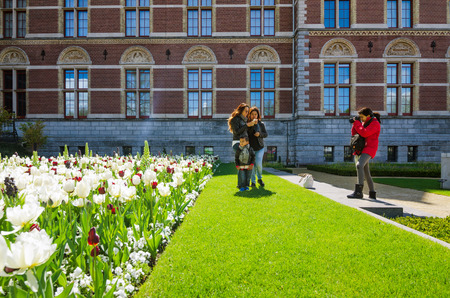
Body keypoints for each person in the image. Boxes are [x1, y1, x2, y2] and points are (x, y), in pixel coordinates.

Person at [347, 107, 381, 199]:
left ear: (368, 116)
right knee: (366, 171)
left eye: (362, 117)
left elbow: (364, 133)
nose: (361, 119)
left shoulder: (375, 123)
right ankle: (372, 193)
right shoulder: (363, 123)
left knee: (359, 165)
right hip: (363, 148)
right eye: (360, 117)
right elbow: (355, 133)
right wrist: (355, 124)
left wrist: (358, 123)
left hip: (370, 148)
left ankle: (358, 192)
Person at [247, 107, 268, 187]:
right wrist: (251, 125)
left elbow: (266, 134)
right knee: (252, 165)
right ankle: (253, 182)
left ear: (258, 115)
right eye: (252, 114)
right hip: (251, 148)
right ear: (250, 115)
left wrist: (260, 135)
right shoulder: (248, 124)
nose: (254, 116)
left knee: (258, 164)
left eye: (255, 114)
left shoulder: (261, 124)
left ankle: (259, 178)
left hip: (260, 148)